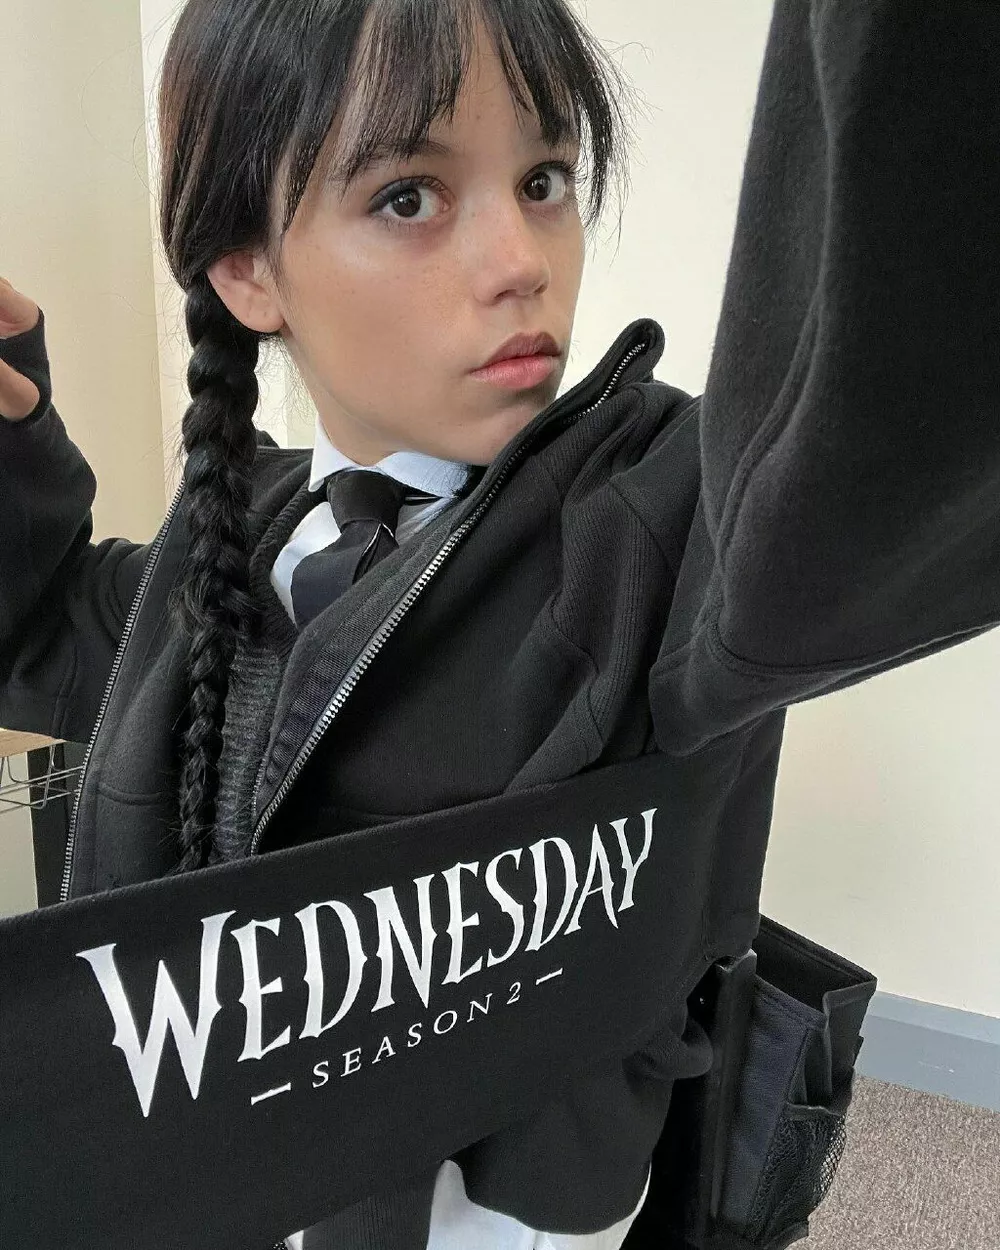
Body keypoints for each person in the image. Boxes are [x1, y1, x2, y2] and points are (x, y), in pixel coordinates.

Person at [0, 1, 997, 1248]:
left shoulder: (660, 522)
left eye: (544, 179)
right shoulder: (227, 540)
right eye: (410, 196)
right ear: (249, 270)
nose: (522, 257)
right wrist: (11, 434)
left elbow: (874, 440)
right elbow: (37, 637)